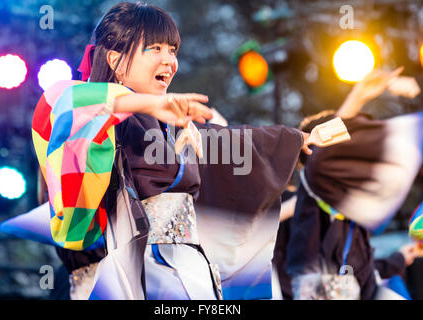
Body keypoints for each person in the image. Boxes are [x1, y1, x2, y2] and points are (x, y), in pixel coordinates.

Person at [31, 2, 320, 300]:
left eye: (172, 50)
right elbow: (66, 104)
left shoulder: (175, 126)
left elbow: (234, 141)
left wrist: (294, 140)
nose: (169, 60)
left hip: (191, 267)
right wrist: (146, 103)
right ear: (116, 60)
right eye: (155, 48)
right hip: (142, 270)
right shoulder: (99, 120)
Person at [283, 69, 422, 299]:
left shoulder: (354, 208)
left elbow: (361, 274)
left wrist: (399, 258)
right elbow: (324, 153)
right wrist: (358, 96)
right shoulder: (314, 183)